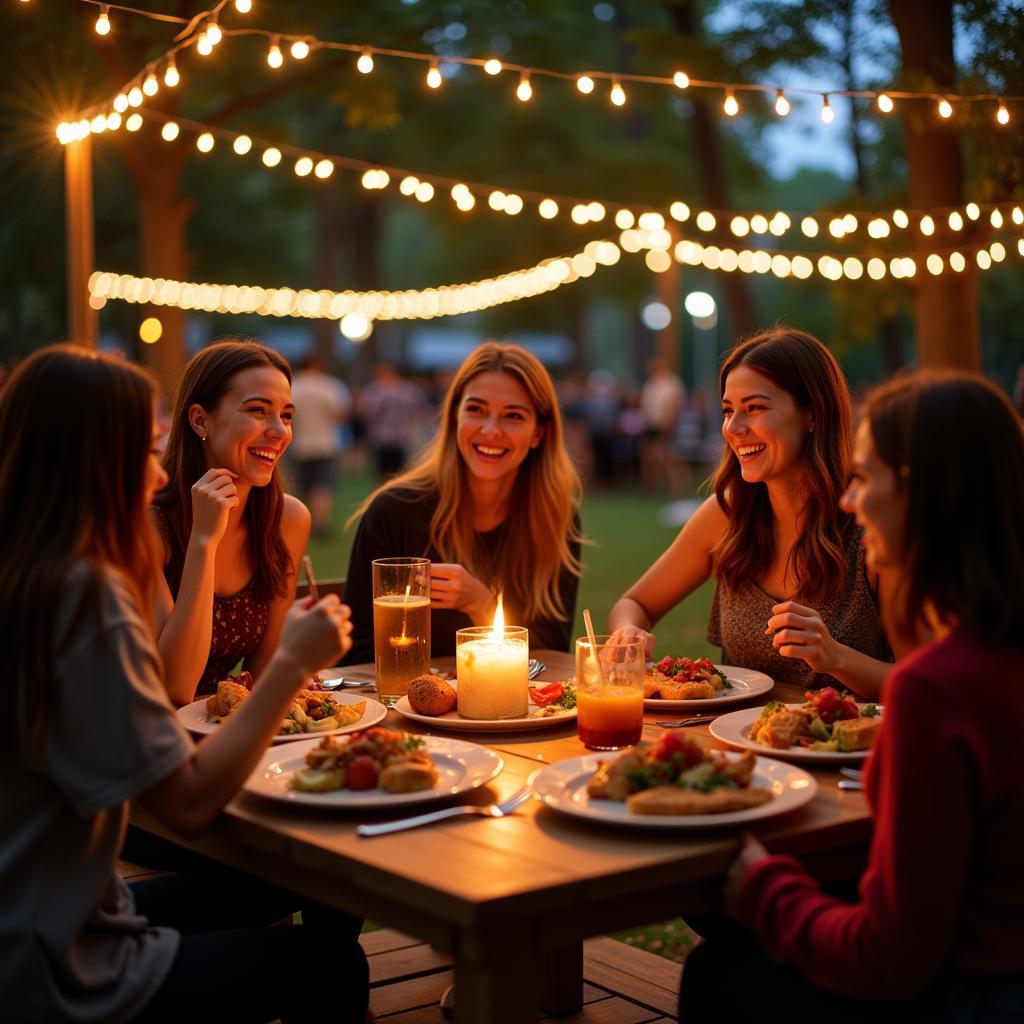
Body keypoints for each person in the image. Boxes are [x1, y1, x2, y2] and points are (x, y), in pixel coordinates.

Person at [0, 345, 367, 1023]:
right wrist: (289, 666)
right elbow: (190, 806)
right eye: (143, 449)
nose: (153, 471)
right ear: (89, 460)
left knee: (293, 884)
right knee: (331, 962)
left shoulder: (29, 573)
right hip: (55, 960)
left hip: (65, 902)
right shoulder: (84, 597)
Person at [679, 370, 1024, 1022]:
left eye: (864, 479)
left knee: (719, 974)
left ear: (919, 492)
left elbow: (890, 957)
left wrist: (764, 886)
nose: (848, 502)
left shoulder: (936, 690)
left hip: (972, 998)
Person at [609, 328, 897, 698]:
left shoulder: (867, 526)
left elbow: (923, 685)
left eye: (755, 408)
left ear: (813, 414)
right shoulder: (728, 514)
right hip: (734, 748)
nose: (734, 427)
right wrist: (627, 633)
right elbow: (634, 604)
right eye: (729, 410)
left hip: (840, 749)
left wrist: (835, 657)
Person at [342, 342, 583, 663]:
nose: (490, 430)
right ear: (454, 416)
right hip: (404, 709)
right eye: (476, 410)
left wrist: (482, 605)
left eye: (513, 416)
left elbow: (551, 652)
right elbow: (356, 652)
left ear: (539, 433)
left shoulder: (556, 515)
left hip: (512, 710)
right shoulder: (396, 510)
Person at [152, 339, 311, 706]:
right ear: (200, 419)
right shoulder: (149, 526)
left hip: (227, 726)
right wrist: (203, 542)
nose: (279, 431)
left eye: (286, 415)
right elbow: (173, 686)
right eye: (258, 411)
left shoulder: (287, 519)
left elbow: (263, 667)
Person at [288, 351, 351, 537]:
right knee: (322, 486)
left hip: (297, 442)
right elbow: (341, 415)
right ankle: (320, 525)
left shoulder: (293, 386)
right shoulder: (330, 386)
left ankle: (297, 522)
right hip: (326, 443)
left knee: (299, 486)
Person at [357, 362, 427, 479]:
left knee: (400, 471)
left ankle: (397, 493)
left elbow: (418, 411)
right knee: (382, 471)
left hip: (401, 436)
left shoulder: (406, 389)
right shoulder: (374, 390)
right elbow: (363, 412)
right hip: (381, 436)